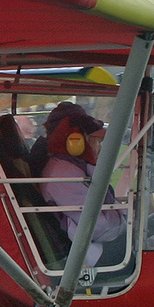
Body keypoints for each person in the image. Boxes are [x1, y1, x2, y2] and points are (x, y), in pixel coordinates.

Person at [39, 109, 125, 266]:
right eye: (97, 141)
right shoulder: (64, 175)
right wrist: (129, 221)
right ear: (75, 142)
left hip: (95, 244)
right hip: (94, 253)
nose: (101, 148)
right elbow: (102, 229)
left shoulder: (72, 168)